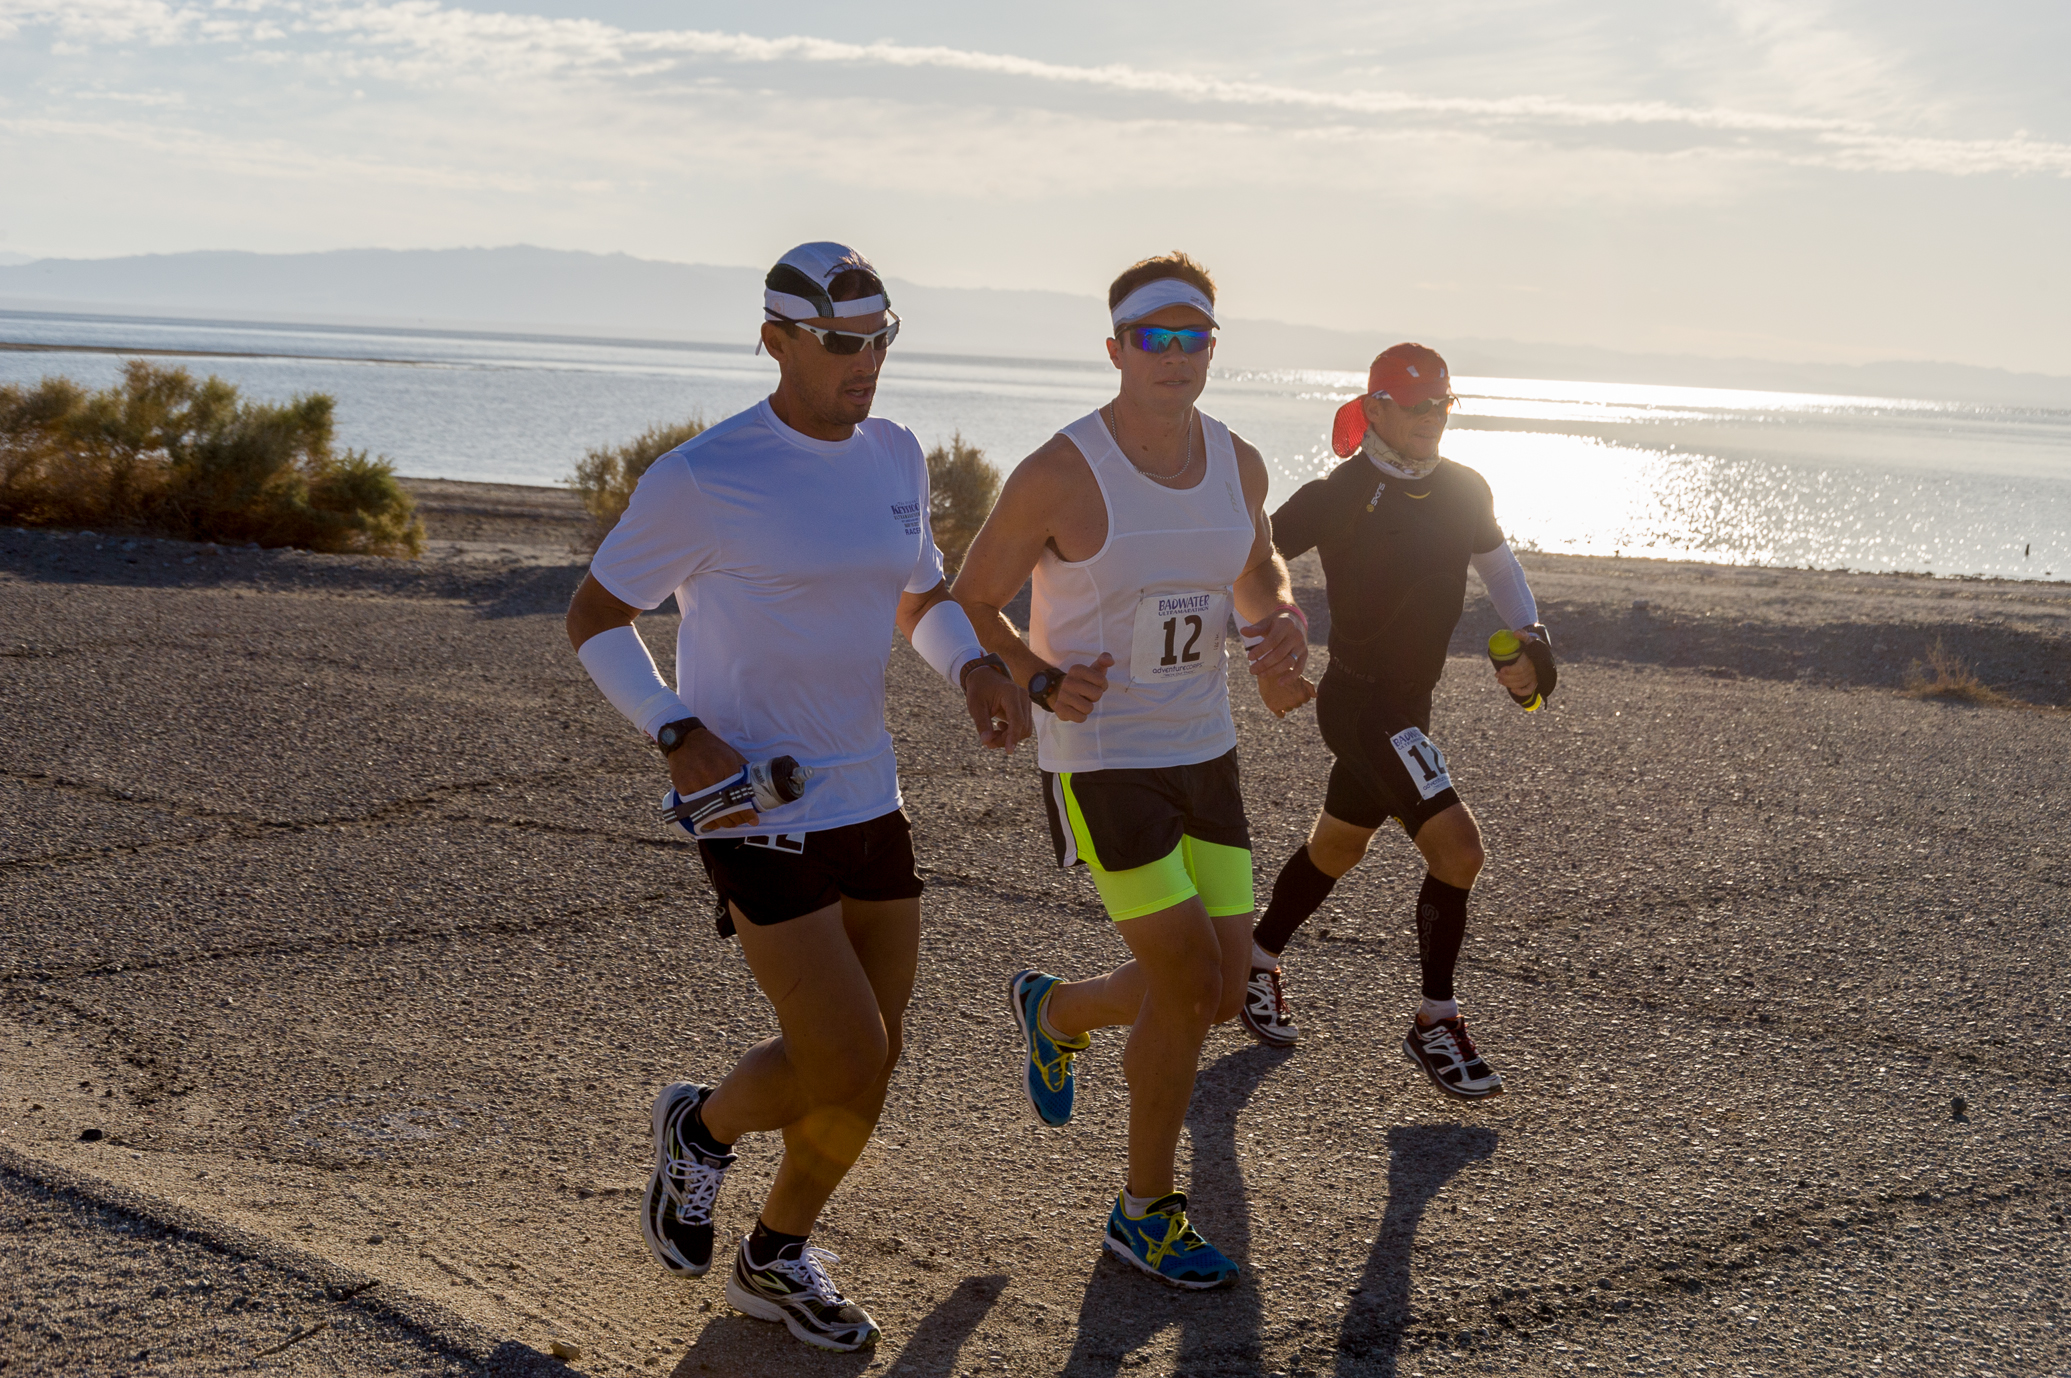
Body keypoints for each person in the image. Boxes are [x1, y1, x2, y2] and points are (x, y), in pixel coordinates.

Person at [563, 242, 1029, 1353]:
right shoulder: (702, 476)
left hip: (870, 792)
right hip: (750, 801)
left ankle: (774, 1253)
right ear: (774, 338)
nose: (864, 361)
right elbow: (593, 615)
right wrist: (674, 727)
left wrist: (969, 665)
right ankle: (704, 1124)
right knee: (845, 1053)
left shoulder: (896, 455)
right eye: (840, 342)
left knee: (880, 1048)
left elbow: (920, 595)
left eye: (881, 338)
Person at [952, 252, 1309, 1289]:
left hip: (1207, 750)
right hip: (1103, 760)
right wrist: (1033, 671)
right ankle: (1142, 1211)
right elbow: (971, 596)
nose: (1175, 356)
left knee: (1226, 982)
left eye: (1193, 337)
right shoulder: (1062, 471)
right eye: (1153, 338)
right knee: (1187, 977)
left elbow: (1256, 568)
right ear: (1115, 350)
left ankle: (1054, 1011)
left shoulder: (1237, 461)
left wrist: (1278, 625)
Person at [1236, 343, 1548, 1104]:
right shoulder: (1340, 492)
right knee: (1459, 849)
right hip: (1358, 701)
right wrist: (1267, 657)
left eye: (1441, 406)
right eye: (1414, 407)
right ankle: (1433, 1020)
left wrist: (1532, 638)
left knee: (1337, 846)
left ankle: (1254, 959)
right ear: (1374, 409)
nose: (1430, 421)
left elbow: (1501, 569)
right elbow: (1244, 560)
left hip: (1411, 705)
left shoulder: (1464, 489)